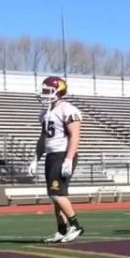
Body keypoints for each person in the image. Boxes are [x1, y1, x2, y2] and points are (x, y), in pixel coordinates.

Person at [30, 76, 85, 243]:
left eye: (48, 90)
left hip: (63, 154)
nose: (44, 93)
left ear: (58, 90)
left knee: (56, 193)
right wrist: (35, 158)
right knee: (54, 195)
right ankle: (61, 230)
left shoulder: (67, 108)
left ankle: (76, 225)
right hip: (51, 154)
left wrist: (68, 158)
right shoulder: (45, 111)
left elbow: (75, 135)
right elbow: (43, 138)